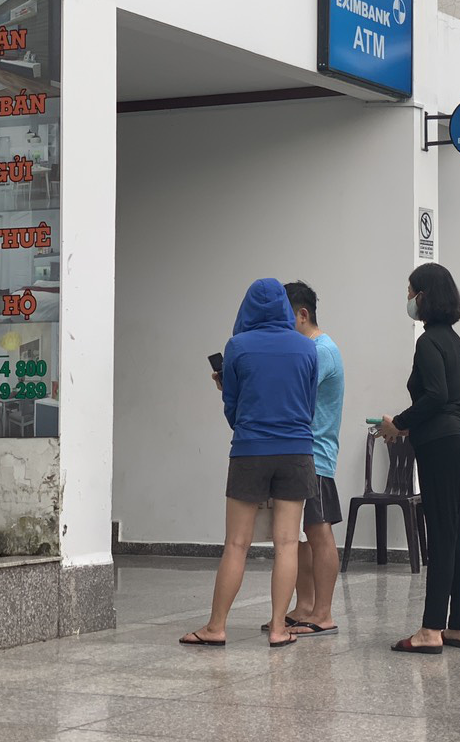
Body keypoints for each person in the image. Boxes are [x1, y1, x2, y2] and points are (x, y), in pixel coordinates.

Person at [181, 277, 318, 649]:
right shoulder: (307, 348)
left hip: (250, 450)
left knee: (237, 543)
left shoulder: (238, 347)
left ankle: (216, 627)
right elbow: (309, 405)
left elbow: (234, 409)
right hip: (296, 451)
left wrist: (227, 391)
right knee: (287, 543)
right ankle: (278, 628)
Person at [378, 263, 460, 655]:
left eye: (410, 291)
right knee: (459, 533)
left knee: (440, 534)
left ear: (424, 296)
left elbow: (435, 395)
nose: (407, 299)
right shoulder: (454, 341)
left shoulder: (427, 342)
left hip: (440, 444)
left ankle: (431, 629)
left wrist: (399, 423)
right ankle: (459, 625)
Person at [280, 281, 345, 637]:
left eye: (284, 319)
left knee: (319, 532)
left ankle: (323, 613)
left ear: (302, 315)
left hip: (315, 455)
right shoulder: (309, 350)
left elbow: (291, 392)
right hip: (300, 453)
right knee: (302, 536)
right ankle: (303, 606)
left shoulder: (321, 352)